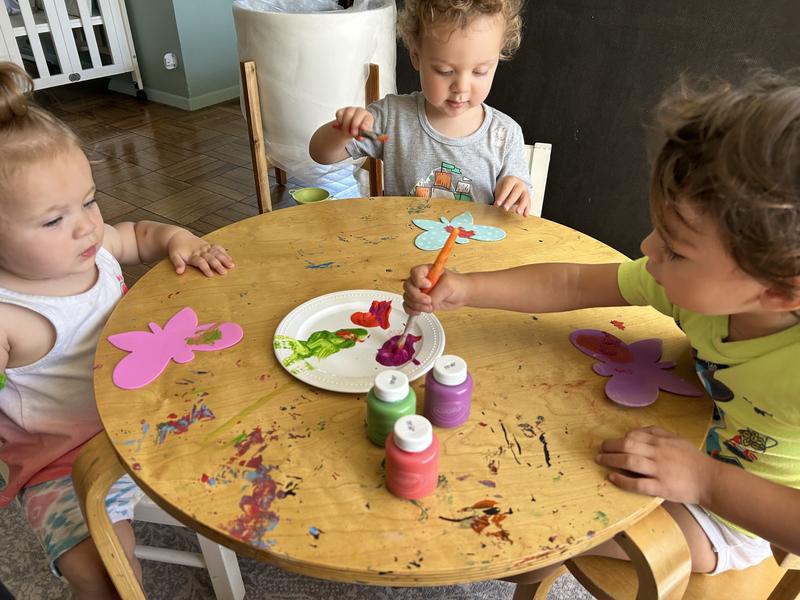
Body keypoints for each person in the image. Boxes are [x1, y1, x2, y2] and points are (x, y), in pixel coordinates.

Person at [404, 69, 800, 575]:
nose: (647, 249)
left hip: (734, 518)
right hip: (684, 432)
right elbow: (570, 284)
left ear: (778, 289)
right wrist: (467, 288)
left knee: (522, 536)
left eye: (675, 250)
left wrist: (704, 482)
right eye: (659, 231)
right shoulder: (694, 285)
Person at [0, 62, 234, 598]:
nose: (85, 224)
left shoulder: (93, 245)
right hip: (68, 458)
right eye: (52, 219)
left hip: (149, 405)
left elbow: (139, 234)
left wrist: (180, 242)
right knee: (105, 575)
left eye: (87, 200)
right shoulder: (7, 315)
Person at [309, 0, 534, 216]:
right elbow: (320, 154)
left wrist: (516, 192)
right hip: (402, 250)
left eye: (480, 71)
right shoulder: (391, 118)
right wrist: (341, 132)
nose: (461, 87)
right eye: (445, 71)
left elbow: (519, 203)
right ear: (417, 57)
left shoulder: (505, 135)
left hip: (474, 253)